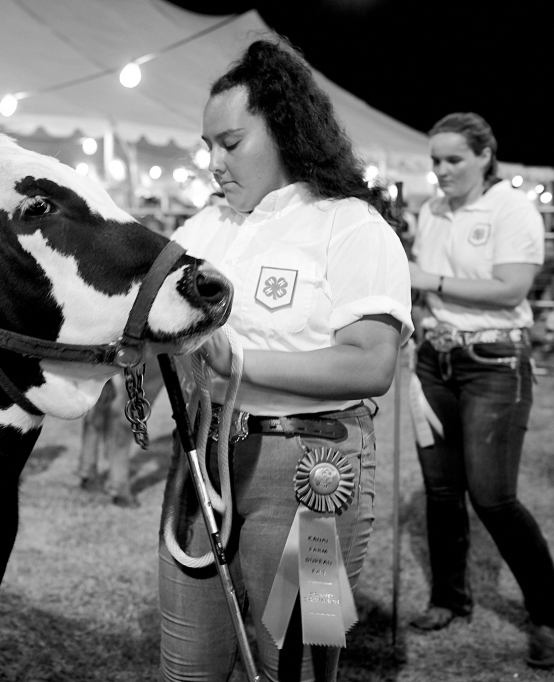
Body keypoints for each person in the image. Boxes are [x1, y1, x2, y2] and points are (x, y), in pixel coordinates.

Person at [158, 38, 412, 682]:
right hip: (201, 467)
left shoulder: (352, 226)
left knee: (301, 668)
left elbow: (370, 364)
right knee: (187, 666)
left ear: (285, 129)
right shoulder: (201, 229)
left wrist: (234, 360)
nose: (214, 162)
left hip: (317, 473)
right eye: (208, 144)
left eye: (231, 142)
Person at [407, 112, 554, 669]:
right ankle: (449, 597)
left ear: (485, 155)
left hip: (494, 363)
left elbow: (513, 287)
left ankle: (547, 613)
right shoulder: (431, 210)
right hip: (434, 360)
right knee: (441, 491)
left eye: (453, 160)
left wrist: (430, 282)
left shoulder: (511, 209)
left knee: (492, 495)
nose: (440, 171)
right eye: (435, 160)